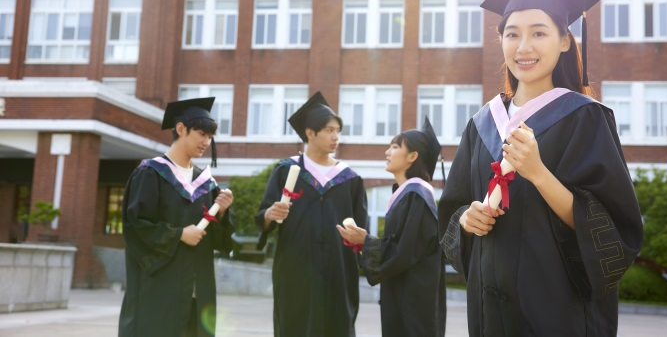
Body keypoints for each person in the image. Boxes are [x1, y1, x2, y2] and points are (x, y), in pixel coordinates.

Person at [438, 0, 644, 337]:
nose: (524, 47)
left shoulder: (586, 119)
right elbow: (452, 213)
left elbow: (615, 233)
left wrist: (539, 173)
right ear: (500, 40)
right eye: (512, 34)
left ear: (565, 41)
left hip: (556, 315)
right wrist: (467, 222)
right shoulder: (482, 123)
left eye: (539, 33)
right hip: (488, 316)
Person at [255, 91, 368, 337]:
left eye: (338, 130)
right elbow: (263, 218)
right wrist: (270, 214)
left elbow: (362, 229)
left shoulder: (350, 178)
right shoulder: (286, 170)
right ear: (309, 133)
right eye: (329, 130)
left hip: (338, 271)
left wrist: (361, 239)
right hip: (296, 271)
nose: (335, 136)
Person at [119, 97, 235, 337]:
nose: (206, 142)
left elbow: (220, 243)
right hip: (161, 288)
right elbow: (135, 226)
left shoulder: (206, 183)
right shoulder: (151, 173)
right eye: (201, 134)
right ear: (181, 129)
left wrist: (222, 213)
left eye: (210, 137)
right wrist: (179, 234)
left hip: (198, 291)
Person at [337, 117, 447, 337]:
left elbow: (405, 251)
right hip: (404, 294)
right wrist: (365, 243)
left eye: (395, 147)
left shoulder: (417, 195)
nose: (387, 152)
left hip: (414, 301)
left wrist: (367, 241)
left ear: (412, 156)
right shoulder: (406, 193)